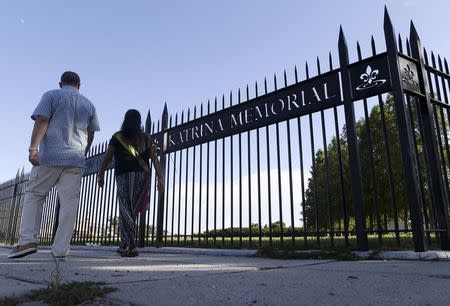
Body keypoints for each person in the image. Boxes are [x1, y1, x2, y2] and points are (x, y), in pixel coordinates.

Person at [8, 71, 100, 259]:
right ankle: (60, 249)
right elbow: (91, 134)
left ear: (60, 83)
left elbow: (42, 120)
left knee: (35, 194)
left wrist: (33, 148)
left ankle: (27, 241)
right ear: (79, 85)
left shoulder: (50, 95)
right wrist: (83, 151)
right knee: (69, 203)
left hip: (50, 156)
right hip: (76, 159)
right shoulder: (89, 104)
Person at [97, 109, 163, 257]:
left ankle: (130, 245)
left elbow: (107, 157)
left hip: (124, 175)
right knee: (132, 210)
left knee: (125, 208)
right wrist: (160, 178)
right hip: (143, 175)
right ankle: (125, 243)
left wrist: (101, 173)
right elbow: (155, 159)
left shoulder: (118, 137)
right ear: (139, 121)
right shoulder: (146, 138)